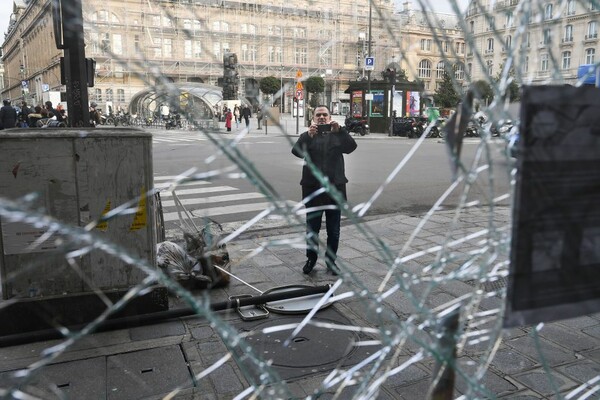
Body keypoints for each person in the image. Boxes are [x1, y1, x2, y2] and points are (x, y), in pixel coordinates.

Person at [291, 105, 357, 275]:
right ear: (313, 118)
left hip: (334, 190)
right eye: (318, 115)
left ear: (329, 117)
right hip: (312, 190)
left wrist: (340, 131)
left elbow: (351, 147)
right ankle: (311, 259)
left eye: (324, 115)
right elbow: (296, 152)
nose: (321, 117)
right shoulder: (308, 136)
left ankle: (331, 261)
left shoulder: (337, 135)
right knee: (312, 229)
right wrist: (308, 136)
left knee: (333, 230)